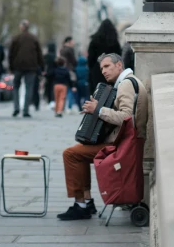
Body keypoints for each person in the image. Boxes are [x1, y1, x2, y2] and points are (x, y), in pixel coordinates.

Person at [57, 52, 148, 221]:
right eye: (102, 68)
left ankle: (81, 205)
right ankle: (87, 202)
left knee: (71, 154)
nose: (104, 71)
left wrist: (98, 110)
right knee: (78, 153)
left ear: (119, 65)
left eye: (107, 66)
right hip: (126, 143)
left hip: (122, 146)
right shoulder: (128, 82)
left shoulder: (126, 85)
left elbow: (126, 118)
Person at [9, 20, 44, 118]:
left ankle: (16, 108)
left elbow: (11, 54)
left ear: (21, 27)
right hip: (31, 66)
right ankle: (26, 110)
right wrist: (41, 67)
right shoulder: (34, 38)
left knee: (16, 87)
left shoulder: (16, 38)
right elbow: (39, 54)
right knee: (29, 88)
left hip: (18, 66)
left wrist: (11, 66)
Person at [87, 19, 122, 96]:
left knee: (97, 96)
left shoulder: (94, 41)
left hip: (96, 72)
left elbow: (90, 60)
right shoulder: (115, 43)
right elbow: (119, 57)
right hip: (112, 72)